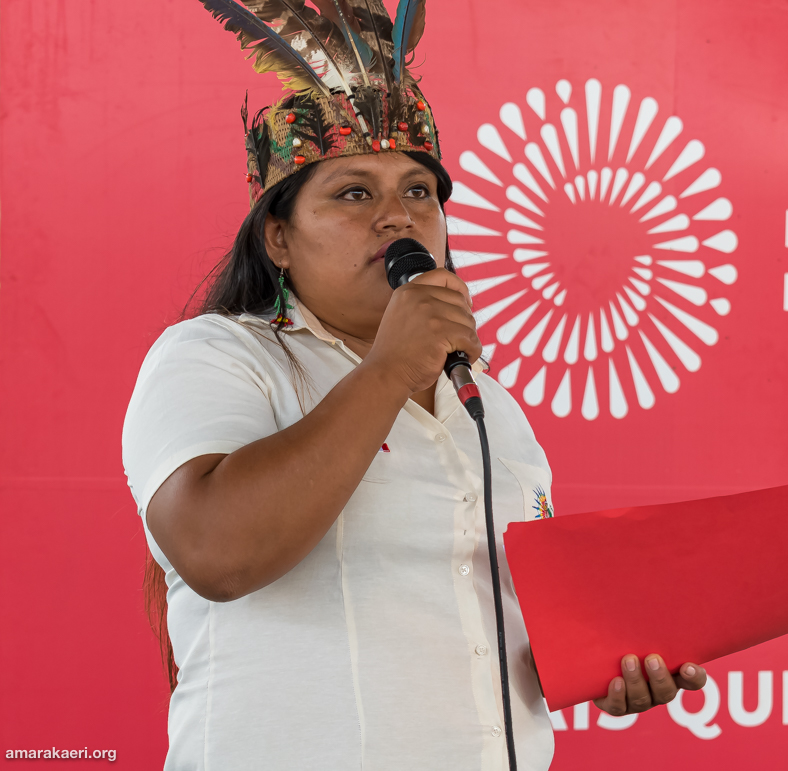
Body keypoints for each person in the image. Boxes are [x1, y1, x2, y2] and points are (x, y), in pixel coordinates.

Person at [123, 2, 706, 769]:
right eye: (354, 193)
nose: (397, 216)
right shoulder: (215, 356)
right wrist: (392, 367)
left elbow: (492, 633)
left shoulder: (488, 401)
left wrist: (611, 661)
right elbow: (214, 551)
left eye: (420, 192)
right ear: (278, 237)